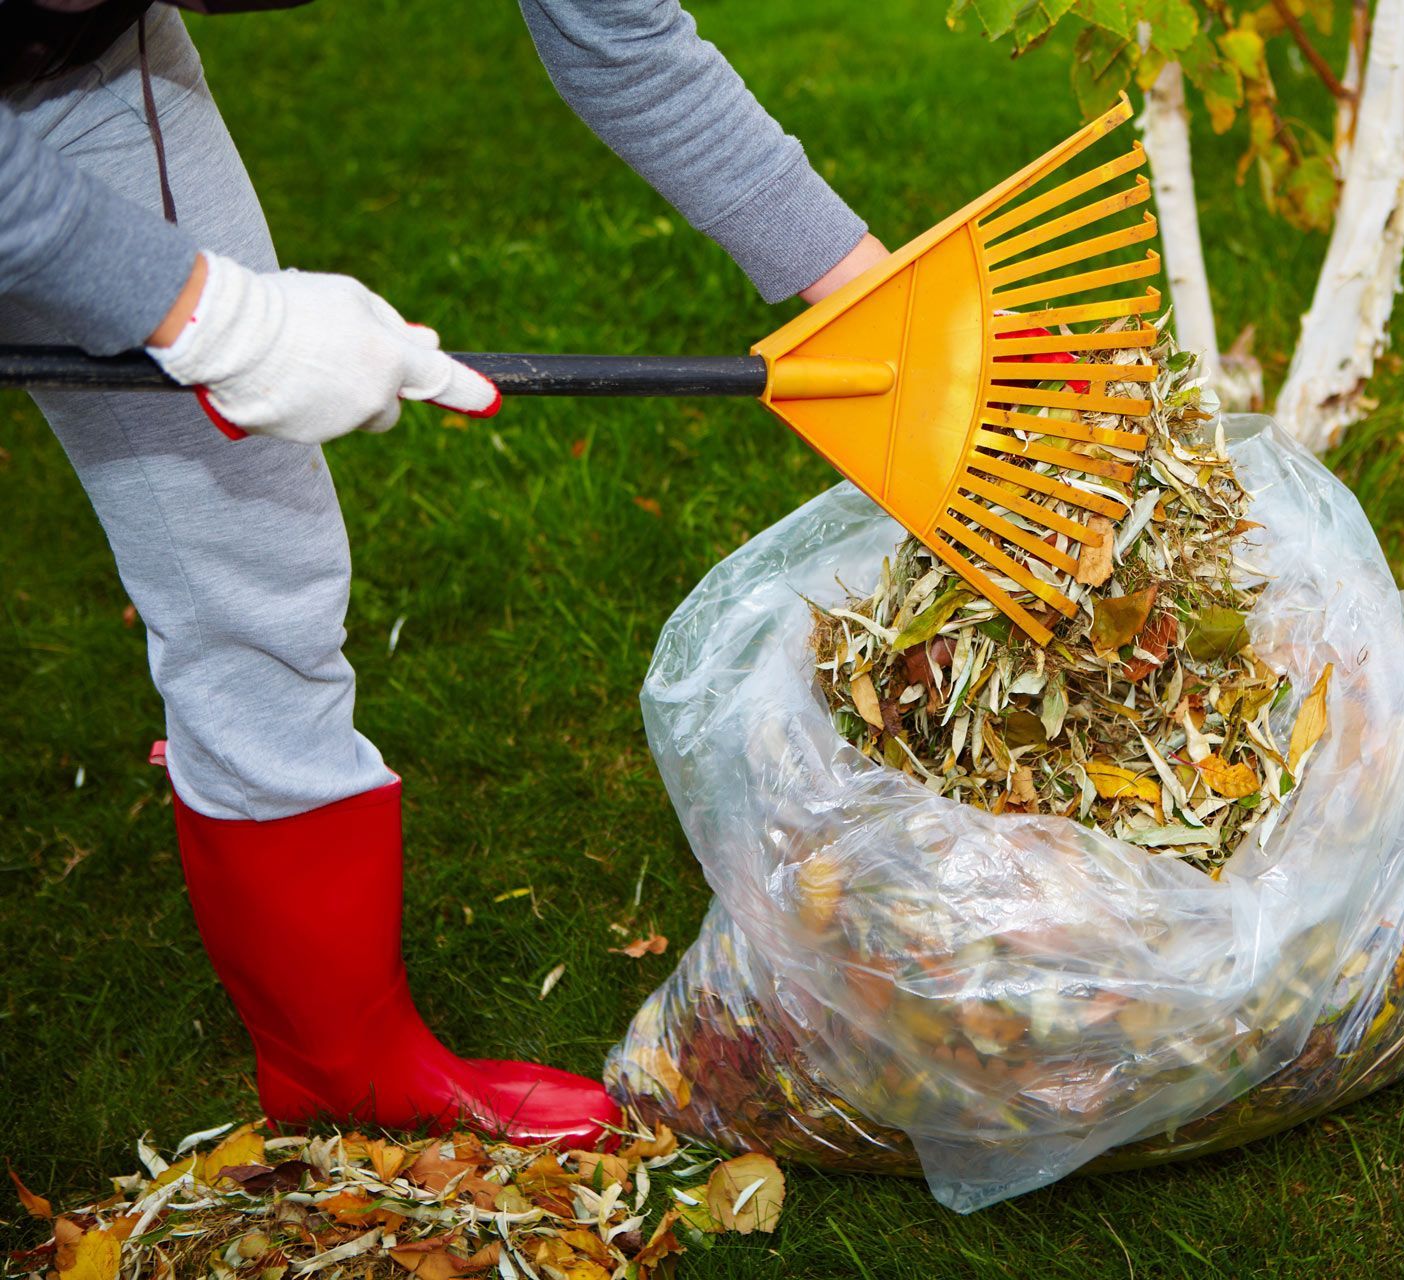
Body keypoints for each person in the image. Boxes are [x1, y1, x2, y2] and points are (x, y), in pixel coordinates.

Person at [0, 0, 889, 1149]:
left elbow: (618, 32)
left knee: (254, 562)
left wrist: (873, 301)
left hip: (78, 65)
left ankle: (342, 1063)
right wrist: (213, 315)